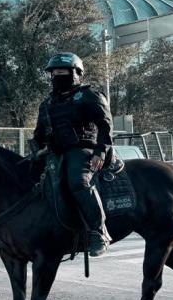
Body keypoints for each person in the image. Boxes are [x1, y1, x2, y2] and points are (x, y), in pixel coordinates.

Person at [32, 52, 113, 256]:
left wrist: (100, 151)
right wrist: (34, 152)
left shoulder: (88, 95)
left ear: (76, 73)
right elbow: (38, 135)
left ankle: (98, 231)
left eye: (63, 72)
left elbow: (105, 124)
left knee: (78, 181)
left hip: (82, 150)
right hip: (55, 153)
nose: (57, 76)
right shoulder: (47, 104)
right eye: (54, 72)